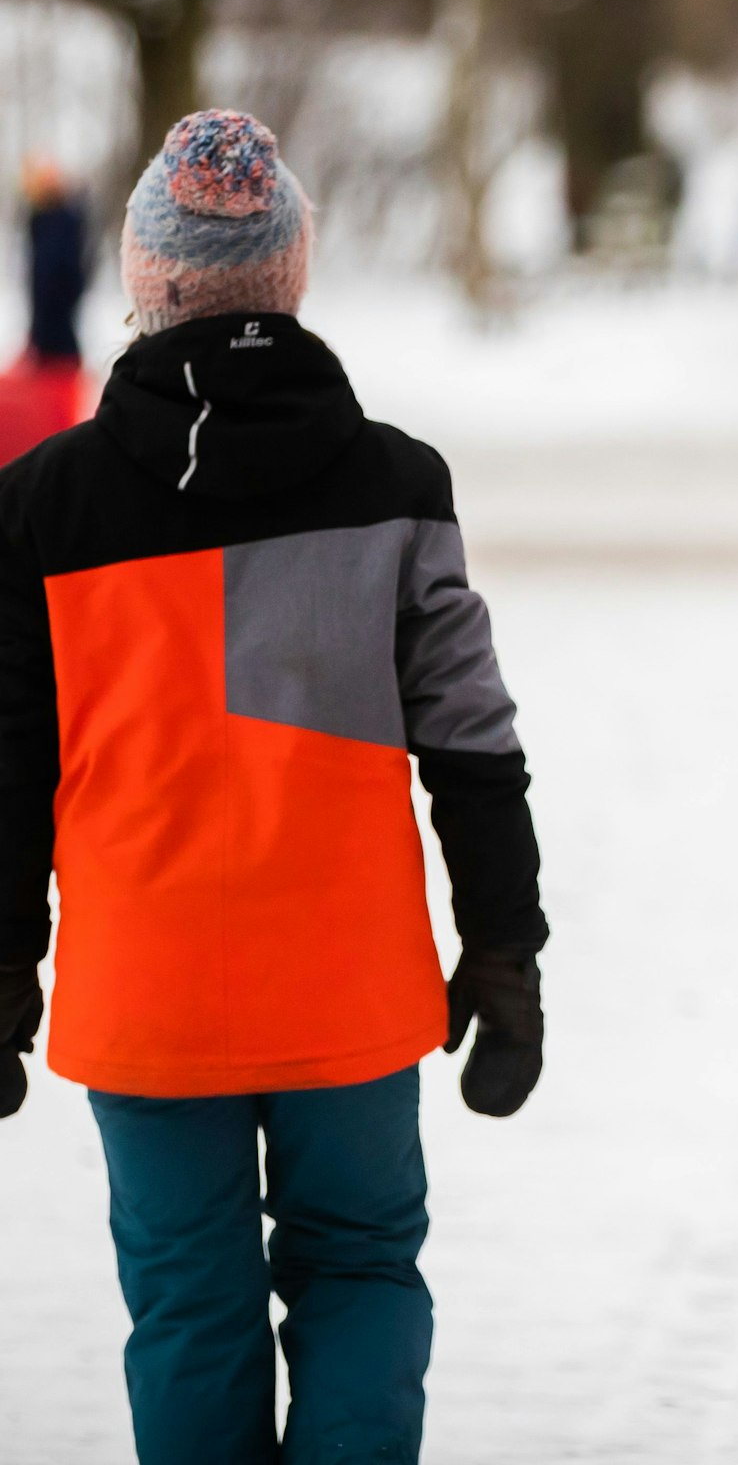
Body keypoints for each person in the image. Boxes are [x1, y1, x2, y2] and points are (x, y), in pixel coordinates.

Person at [0, 111, 549, 1463]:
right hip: (347, 985)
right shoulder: (399, 485)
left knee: (188, 1304)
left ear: (143, 275)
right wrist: (504, 946)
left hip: (148, 986)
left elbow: (8, 765)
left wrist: (2, 963)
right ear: (293, 270)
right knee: (360, 1268)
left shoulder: (40, 506)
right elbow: (474, 744)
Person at [0, 157, 92, 464]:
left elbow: (59, 284)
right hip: (47, 341)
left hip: (57, 344)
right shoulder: (44, 222)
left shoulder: (63, 224)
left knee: (55, 426)